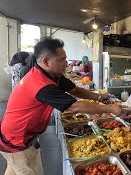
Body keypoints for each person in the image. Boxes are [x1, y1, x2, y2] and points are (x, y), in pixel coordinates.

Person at [0, 37, 123, 175]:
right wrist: (110, 109)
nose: (66, 64)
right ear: (46, 61)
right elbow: (74, 107)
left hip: (15, 134)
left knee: (13, 169)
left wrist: (100, 97)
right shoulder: (40, 84)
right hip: (18, 140)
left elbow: (75, 90)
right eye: (62, 60)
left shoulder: (52, 75)